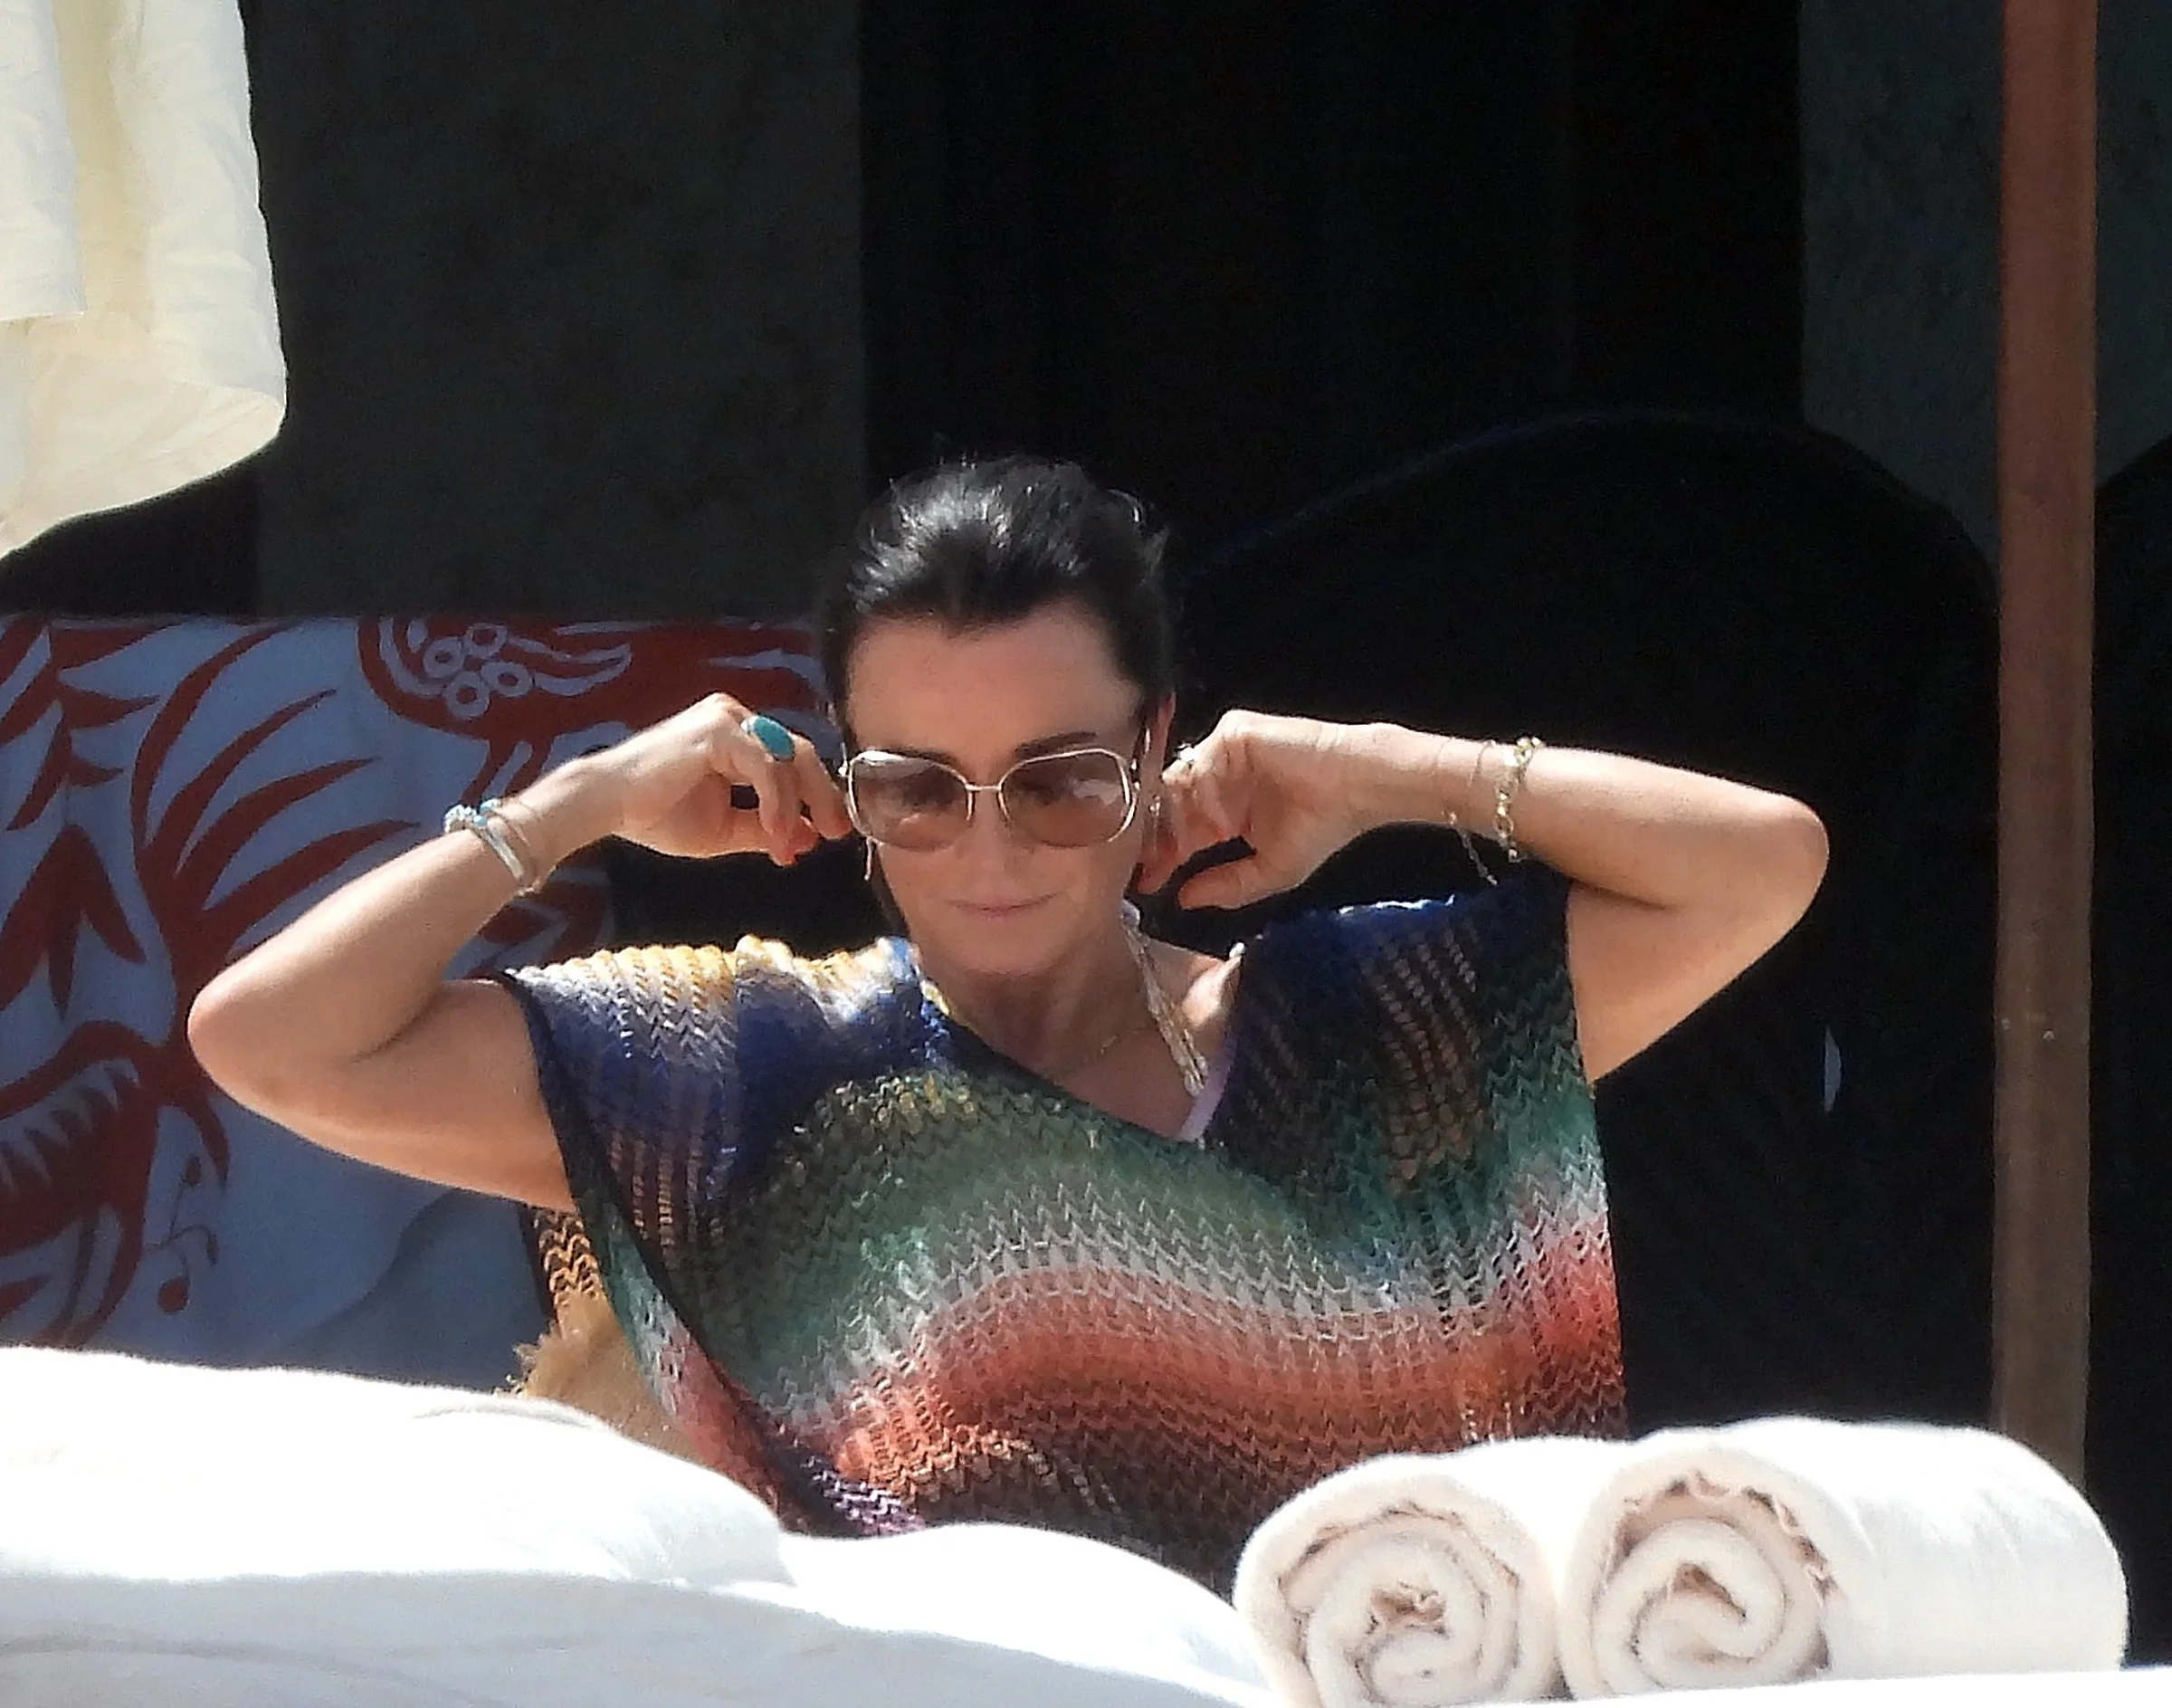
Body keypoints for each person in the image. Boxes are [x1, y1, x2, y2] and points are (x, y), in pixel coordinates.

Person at [188, 455, 1828, 1591]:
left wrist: (1382, 766)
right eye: (918, 787)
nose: (988, 852)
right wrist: (583, 800)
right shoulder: (749, 1077)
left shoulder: (1361, 1031)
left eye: (1057, 782)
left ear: (1155, 746)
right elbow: (271, 1039)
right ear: (843, 774)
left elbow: (1760, 865)